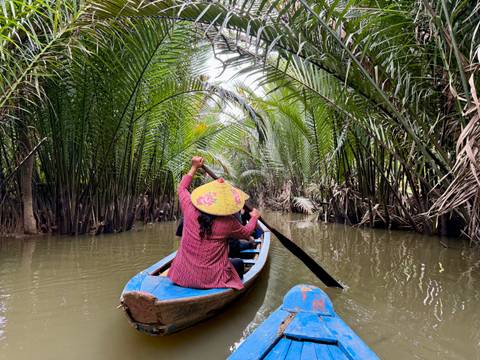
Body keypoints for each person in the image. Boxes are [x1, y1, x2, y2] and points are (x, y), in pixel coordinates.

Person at [168, 156, 261, 290]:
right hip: (211, 279)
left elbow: (182, 188)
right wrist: (254, 217)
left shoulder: (189, 208)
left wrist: (194, 167)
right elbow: (247, 232)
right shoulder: (228, 222)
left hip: (182, 275)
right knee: (239, 263)